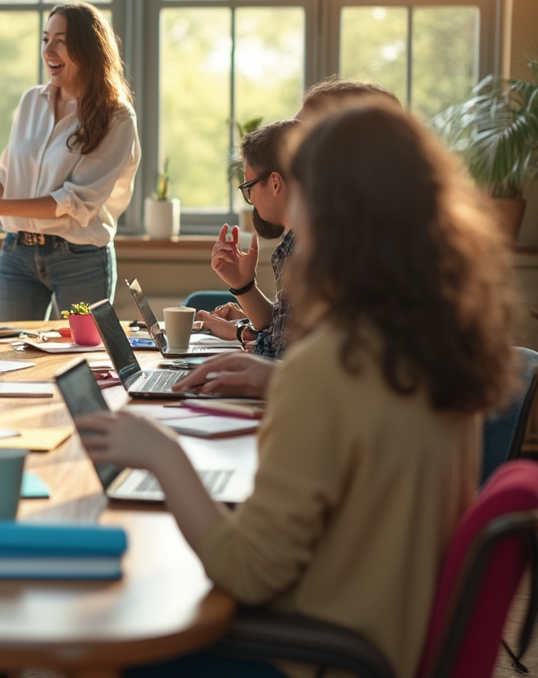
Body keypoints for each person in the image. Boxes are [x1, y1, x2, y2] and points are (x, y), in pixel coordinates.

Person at [84, 103, 518, 678]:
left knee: (112, 633)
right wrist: (283, 378)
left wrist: (160, 453)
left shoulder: (330, 366)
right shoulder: (436, 345)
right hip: (387, 641)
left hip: (319, 656)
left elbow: (245, 569)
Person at [0, 1, 140, 319]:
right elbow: (6, 180)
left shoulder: (117, 117)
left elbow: (73, 201)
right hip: (17, 254)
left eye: (61, 40)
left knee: (82, 359)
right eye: (46, 39)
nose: (48, 50)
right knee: (13, 359)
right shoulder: (32, 101)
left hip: (80, 259)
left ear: (89, 49)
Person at [179, 78, 400, 397]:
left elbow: (297, 367)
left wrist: (250, 355)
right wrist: (244, 291)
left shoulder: (350, 250)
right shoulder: (361, 234)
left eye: (302, 136)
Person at [196, 119, 301, 358]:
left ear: (275, 183)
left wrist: (240, 334)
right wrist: (244, 286)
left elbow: (280, 359)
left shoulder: (301, 249)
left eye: (249, 188)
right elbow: (284, 335)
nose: (250, 200)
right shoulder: (304, 240)